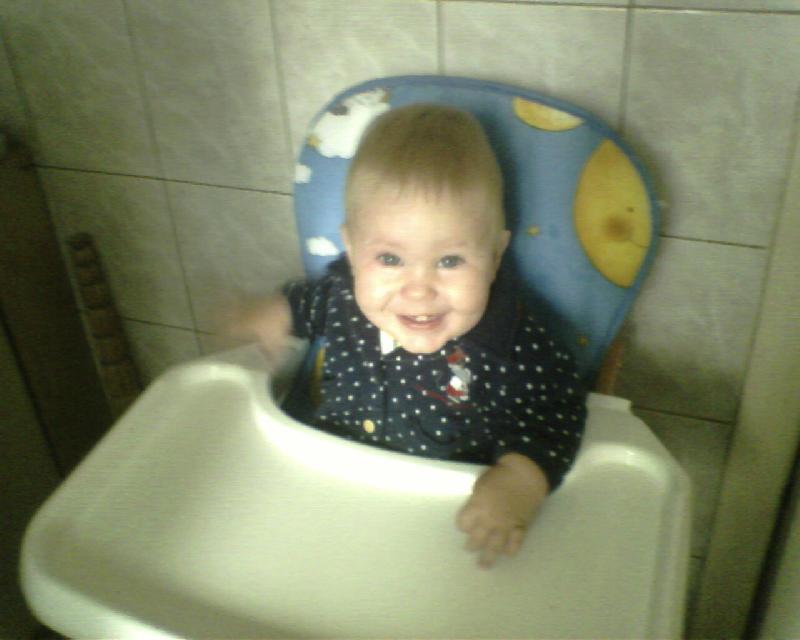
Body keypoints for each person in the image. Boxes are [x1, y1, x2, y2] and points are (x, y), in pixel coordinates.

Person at [231, 104, 587, 568]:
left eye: (450, 261)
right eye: (390, 259)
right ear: (352, 249)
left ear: (495, 254)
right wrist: (271, 312)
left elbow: (556, 412)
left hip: (441, 526)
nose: (418, 290)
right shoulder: (341, 297)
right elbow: (305, 303)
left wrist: (522, 479)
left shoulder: (515, 343)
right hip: (330, 495)